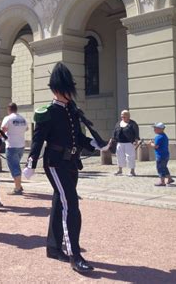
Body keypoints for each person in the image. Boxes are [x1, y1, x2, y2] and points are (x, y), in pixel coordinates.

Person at [22, 62, 109, 273]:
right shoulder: (47, 112)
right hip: (55, 163)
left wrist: (95, 144)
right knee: (71, 205)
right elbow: (38, 140)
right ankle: (74, 254)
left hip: (71, 163)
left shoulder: (71, 111)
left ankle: (53, 247)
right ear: (57, 90)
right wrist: (31, 163)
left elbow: (77, 137)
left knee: (60, 204)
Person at [1, 103, 28, 195]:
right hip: (21, 145)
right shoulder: (22, 118)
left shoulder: (8, 118)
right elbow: (27, 128)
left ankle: (17, 188)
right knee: (16, 165)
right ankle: (18, 185)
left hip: (11, 145)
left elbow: (3, 130)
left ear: (9, 109)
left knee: (14, 167)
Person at [110, 110, 140, 176]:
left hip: (129, 143)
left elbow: (136, 133)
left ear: (128, 116)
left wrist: (136, 140)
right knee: (119, 156)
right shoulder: (118, 123)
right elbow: (114, 131)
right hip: (120, 142)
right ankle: (120, 170)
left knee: (130, 157)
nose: (122, 116)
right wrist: (112, 139)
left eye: (124, 115)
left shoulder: (132, 123)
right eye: (121, 115)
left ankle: (132, 171)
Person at [150, 122, 174, 187]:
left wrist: (150, 143)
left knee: (160, 168)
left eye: (155, 128)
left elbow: (156, 146)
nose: (154, 129)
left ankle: (162, 181)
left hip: (160, 155)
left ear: (161, 129)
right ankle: (169, 179)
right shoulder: (164, 136)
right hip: (166, 155)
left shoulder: (159, 137)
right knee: (164, 167)